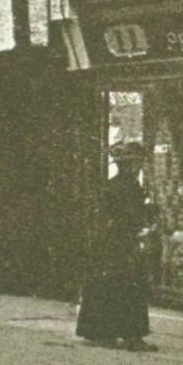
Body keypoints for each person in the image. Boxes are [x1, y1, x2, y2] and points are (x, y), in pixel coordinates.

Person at [76, 141, 155, 351]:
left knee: (110, 286)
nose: (138, 167)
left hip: (109, 245)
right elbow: (130, 216)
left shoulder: (114, 185)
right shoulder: (127, 188)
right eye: (136, 163)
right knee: (128, 287)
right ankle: (130, 334)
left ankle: (102, 331)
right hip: (121, 244)